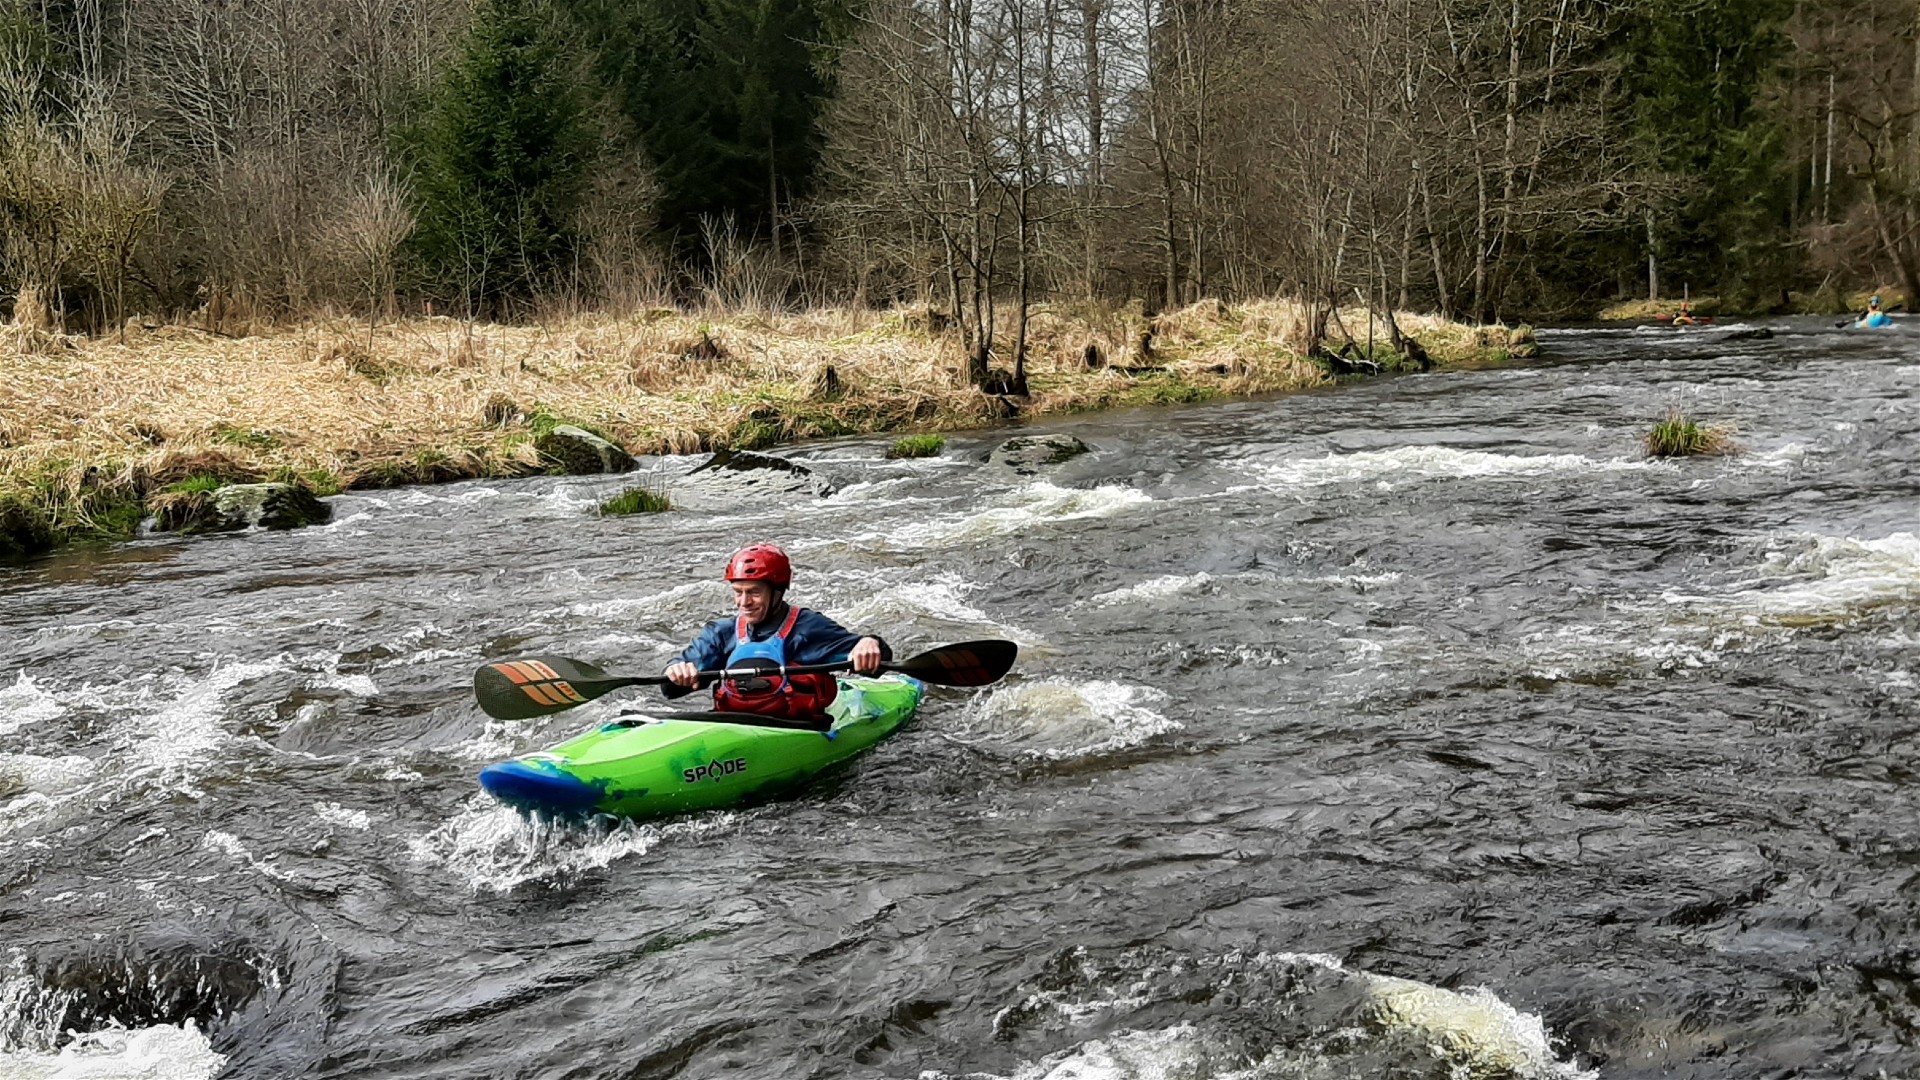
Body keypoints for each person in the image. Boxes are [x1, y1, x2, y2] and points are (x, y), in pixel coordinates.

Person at [663, 543, 889, 721]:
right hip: (732, 726)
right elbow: (669, 689)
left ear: (777, 593)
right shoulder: (722, 633)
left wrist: (869, 642)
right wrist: (677, 671)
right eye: (738, 592)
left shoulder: (807, 628)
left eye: (754, 592)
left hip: (796, 729)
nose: (744, 602)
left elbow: (875, 663)